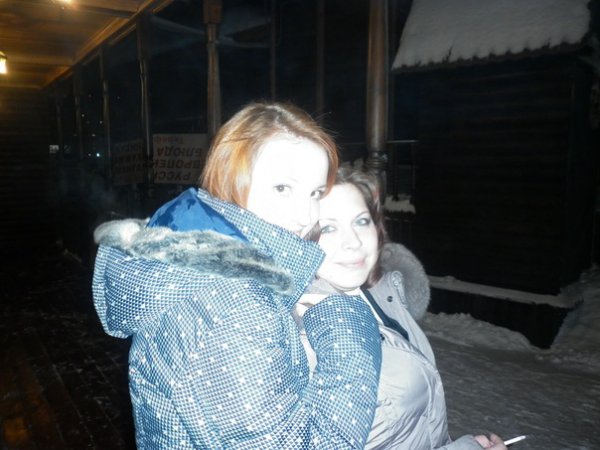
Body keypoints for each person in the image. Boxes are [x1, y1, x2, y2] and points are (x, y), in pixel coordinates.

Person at [92, 102, 382, 449]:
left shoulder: (208, 269)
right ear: (232, 180)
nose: (306, 216)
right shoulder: (230, 302)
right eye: (282, 188)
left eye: (315, 193)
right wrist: (345, 321)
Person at [294, 165, 507, 450]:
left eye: (361, 221)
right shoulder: (301, 339)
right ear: (297, 238)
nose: (354, 242)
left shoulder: (383, 295)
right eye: (328, 228)